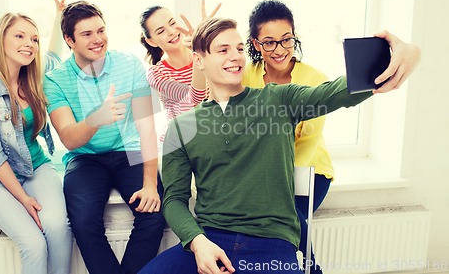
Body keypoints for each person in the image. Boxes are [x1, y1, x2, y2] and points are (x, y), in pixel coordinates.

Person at [138, 17, 421, 274]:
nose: (235, 57)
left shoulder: (279, 100)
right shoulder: (181, 127)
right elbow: (174, 200)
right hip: (209, 240)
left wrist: (404, 55)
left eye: (238, 48)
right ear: (199, 60)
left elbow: (338, 92)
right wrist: (198, 242)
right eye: (223, 50)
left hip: (271, 244)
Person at [242, 0, 421, 274]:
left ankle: (313, 270)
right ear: (256, 44)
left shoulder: (314, 79)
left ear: (294, 37)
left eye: (286, 40)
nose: (279, 50)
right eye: (269, 42)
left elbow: (308, 142)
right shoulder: (245, 77)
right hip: (259, 173)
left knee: (288, 218)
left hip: (308, 171)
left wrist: (411, 52)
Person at [43, 0, 166, 274]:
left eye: (101, 30)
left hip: (129, 150)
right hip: (85, 158)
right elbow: (69, 139)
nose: (98, 39)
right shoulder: (55, 80)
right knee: (84, 222)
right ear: (69, 40)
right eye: (87, 34)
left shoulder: (130, 65)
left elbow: (147, 127)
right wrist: (96, 119)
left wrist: (149, 184)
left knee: (154, 214)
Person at [0, 12, 72, 274]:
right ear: (1, 40)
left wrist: (57, 16)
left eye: (34, 39)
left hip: (37, 167)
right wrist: (24, 199)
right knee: (34, 243)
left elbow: (54, 56)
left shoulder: (32, 76)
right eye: (19, 36)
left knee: (58, 229)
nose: (29, 44)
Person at [140, 0, 220, 146]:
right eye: (161, 31)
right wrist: (198, 51)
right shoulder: (156, 74)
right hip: (179, 144)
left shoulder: (208, 54)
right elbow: (196, 100)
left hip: (213, 136)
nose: (171, 31)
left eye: (172, 23)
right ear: (151, 42)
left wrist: (207, 36)